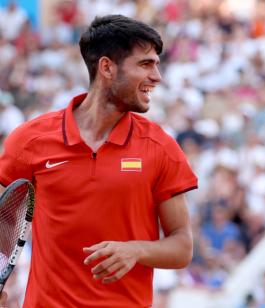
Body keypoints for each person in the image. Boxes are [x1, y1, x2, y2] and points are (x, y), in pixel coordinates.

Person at [0, 15, 198, 307]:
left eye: (156, 64)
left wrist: (136, 250)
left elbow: (182, 247)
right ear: (107, 67)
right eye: (145, 64)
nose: (157, 76)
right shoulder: (30, 140)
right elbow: (3, 220)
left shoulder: (161, 147)